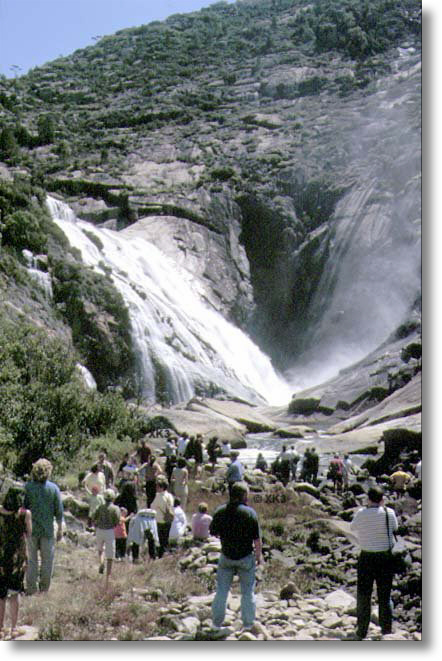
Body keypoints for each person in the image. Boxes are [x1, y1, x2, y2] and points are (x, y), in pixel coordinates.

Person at [209, 482, 262, 635]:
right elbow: (257, 540)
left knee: (222, 591)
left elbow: (213, 532)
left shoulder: (220, 511)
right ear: (244, 496)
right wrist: (259, 557)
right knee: (247, 593)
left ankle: (216, 624)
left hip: (226, 556)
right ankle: (247, 625)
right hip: (245, 557)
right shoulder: (250, 513)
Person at [349, 486, 398, 640]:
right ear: (382, 499)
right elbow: (395, 528)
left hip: (366, 558)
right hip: (385, 557)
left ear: (368, 499)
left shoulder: (361, 514)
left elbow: (352, 528)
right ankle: (386, 630)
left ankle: (362, 630)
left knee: (364, 595)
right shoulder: (388, 513)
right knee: (385, 594)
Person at [24, 458, 64, 594]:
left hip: (31, 529)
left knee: (31, 560)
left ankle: (31, 588)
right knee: (47, 561)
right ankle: (44, 589)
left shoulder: (28, 487)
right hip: (48, 529)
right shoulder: (53, 489)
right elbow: (59, 511)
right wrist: (60, 529)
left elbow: (23, 508)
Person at [0, 488, 32, 640]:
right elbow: (29, 534)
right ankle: (14, 628)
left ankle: (0, 628)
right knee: (14, 592)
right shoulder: (25, 514)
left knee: (1, 595)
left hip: (1, 555)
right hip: (17, 557)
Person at [92, 489, 120, 590]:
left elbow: (94, 517)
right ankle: (108, 576)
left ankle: (101, 563)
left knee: (100, 550)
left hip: (100, 530)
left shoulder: (100, 507)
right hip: (109, 531)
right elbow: (117, 520)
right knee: (110, 555)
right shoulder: (115, 508)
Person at [151, 476, 175, 558]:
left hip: (159, 520)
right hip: (168, 519)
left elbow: (152, 507)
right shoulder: (170, 496)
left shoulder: (158, 497)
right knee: (165, 539)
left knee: (159, 540)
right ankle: (164, 554)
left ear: (161, 487)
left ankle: (159, 555)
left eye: (157, 486)